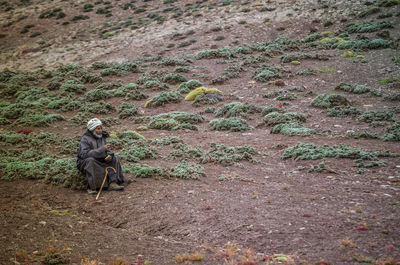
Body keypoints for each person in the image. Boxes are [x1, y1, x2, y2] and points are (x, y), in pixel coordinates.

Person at [77, 118, 125, 194]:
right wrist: (102, 150)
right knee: (91, 161)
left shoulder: (102, 137)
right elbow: (84, 154)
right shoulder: (85, 139)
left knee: (114, 159)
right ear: (92, 129)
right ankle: (92, 187)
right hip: (85, 161)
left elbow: (107, 150)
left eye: (101, 128)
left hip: (100, 159)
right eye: (98, 129)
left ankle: (113, 182)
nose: (100, 130)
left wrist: (109, 156)